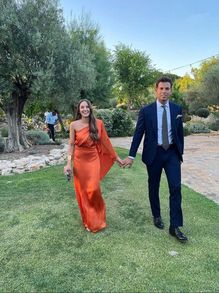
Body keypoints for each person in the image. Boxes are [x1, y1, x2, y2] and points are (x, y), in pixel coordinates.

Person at [123, 77, 188, 243]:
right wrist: (131, 156)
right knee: (154, 186)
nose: (164, 91)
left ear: (171, 90)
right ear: (156, 90)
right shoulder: (147, 111)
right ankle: (157, 215)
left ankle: (175, 226)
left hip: (172, 153)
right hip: (154, 154)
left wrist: (180, 152)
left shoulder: (176, 109)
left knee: (175, 187)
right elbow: (138, 134)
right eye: (161, 88)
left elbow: (179, 133)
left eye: (167, 89)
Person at [64, 99, 123, 233]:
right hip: (79, 161)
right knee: (83, 192)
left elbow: (106, 142)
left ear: (90, 109)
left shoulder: (98, 124)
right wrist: (68, 163)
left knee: (94, 189)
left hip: (93, 159)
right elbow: (71, 145)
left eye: (87, 107)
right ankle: (88, 221)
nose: (85, 109)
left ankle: (97, 220)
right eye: (82, 107)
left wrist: (116, 158)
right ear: (79, 110)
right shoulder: (73, 125)